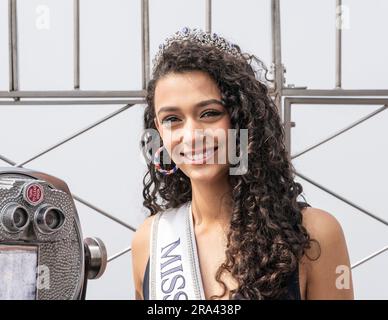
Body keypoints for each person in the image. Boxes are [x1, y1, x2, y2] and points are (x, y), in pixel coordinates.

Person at [131, 27, 354, 300]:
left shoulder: (315, 234)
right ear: (158, 130)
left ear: (242, 118)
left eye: (209, 113)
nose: (190, 136)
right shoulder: (150, 241)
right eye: (172, 119)